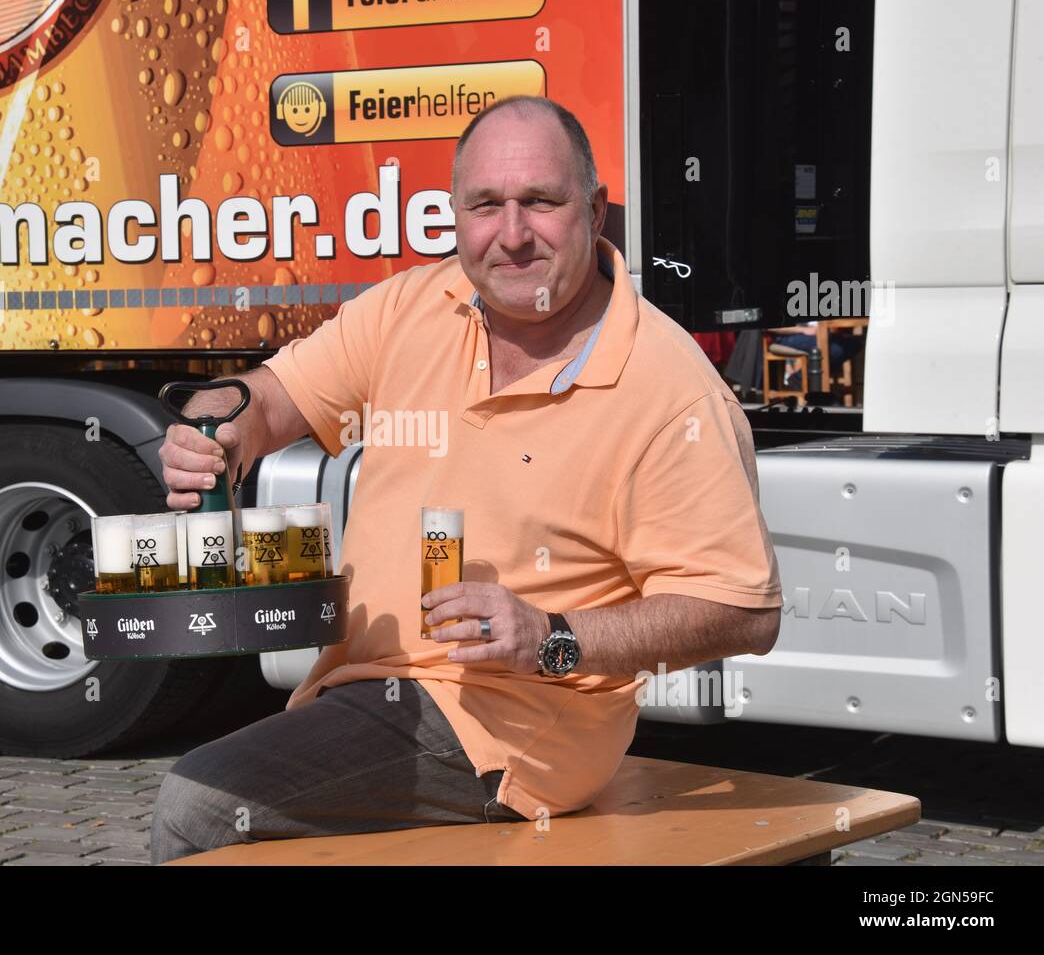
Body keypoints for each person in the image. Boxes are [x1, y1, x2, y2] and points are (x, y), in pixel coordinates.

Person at [149, 95, 782, 864]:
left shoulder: (669, 386)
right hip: (370, 688)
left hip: (513, 724)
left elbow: (742, 611)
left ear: (595, 209)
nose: (511, 235)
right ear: (455, 214)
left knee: (203, 806)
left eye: (540, 203)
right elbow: (274, 398)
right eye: (486, 205)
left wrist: (550, 636)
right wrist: (215, 429)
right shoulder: (420, 303)